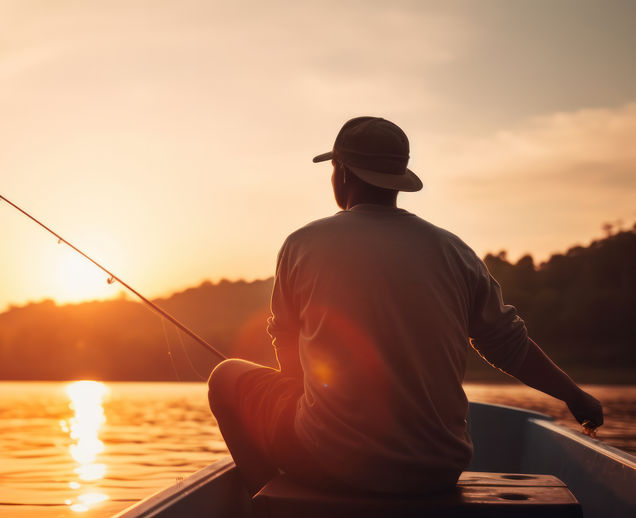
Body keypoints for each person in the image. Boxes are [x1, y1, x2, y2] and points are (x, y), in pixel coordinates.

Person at [207, 116, 604, 496]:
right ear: (397, 179)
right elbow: (509, 347)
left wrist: (298, 390)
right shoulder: (456, 252)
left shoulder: (302, 244)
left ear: (342, 173)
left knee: (225, 378)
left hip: (328, 463)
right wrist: (575, 396)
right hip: (437, 471)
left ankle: (265, 502)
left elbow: (286, 342)